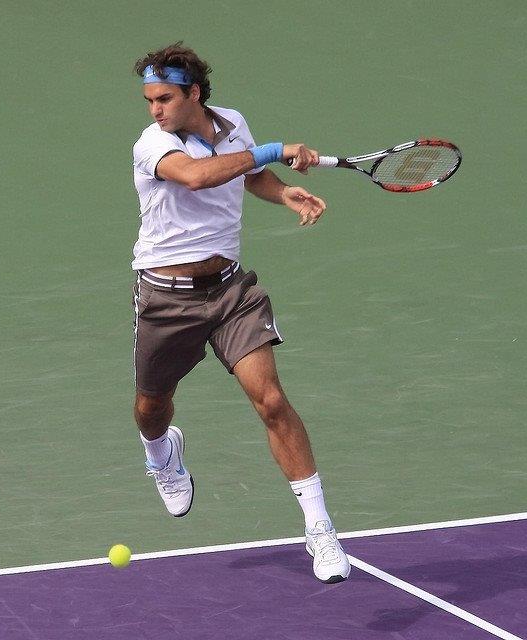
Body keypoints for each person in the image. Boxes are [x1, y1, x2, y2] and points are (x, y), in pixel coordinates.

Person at [131, 42, 350, 584]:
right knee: (150, 408)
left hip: (231, 291)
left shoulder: (231, 124)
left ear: (194, 94)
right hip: (166, 298)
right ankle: (162, 453)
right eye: (149, 100)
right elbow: (200, 177)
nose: (154, 109)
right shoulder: (152, 144)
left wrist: (284, 193)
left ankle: (320, 528)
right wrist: (276, 148)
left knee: (272, 400)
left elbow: (245, 176)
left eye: (164, 98)